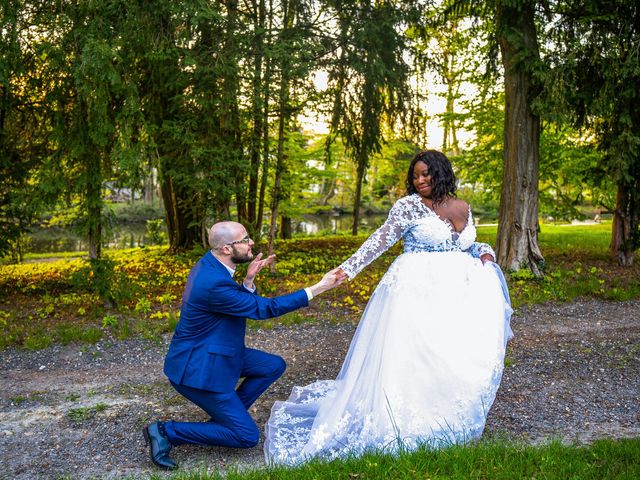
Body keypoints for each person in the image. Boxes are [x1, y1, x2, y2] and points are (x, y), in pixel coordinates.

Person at [264, 150, 513, 465]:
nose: (420, 180)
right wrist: (346, 270)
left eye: (426, 174)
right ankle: (407, 420)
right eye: (416, 175)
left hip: (456, 294)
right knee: (415, 354)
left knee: (449, 354)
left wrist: (485, 253)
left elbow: (466, 244)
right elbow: (379, 241)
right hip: (415, 290)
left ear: (442, 173)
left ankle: (448, 414)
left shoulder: (461, 206)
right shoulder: (407, 207)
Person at [144, 221, 345, 470]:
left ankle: (225, 419)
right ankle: (166, 431)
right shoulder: (214, 283)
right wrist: (319, 287)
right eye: (245, 239)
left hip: (217, 352)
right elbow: (265, 309)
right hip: (198, 370)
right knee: (246, 436)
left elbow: (236, 304)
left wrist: (248, 282)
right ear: (228, 249)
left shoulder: (211, 265)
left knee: (272, 365)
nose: (251, 242)